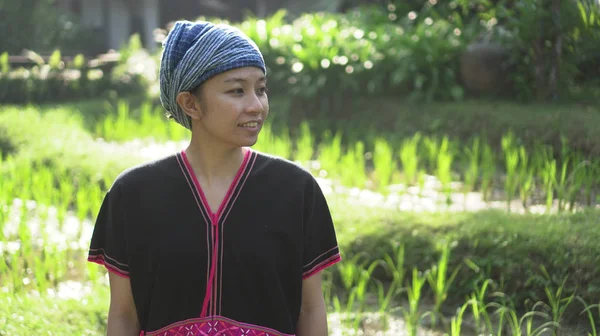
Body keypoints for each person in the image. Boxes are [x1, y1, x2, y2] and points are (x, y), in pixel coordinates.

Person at [87, 20, 341, 336]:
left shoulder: (296, 190)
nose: (256, 106)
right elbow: (124, 315)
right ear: (190, 103)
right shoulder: (133, 194)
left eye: (260, 89)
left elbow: (311, 309)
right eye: (237, 91)